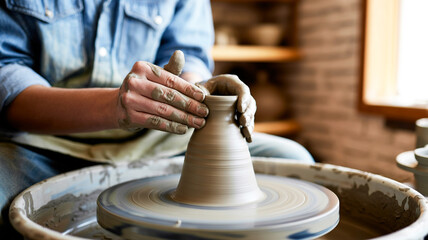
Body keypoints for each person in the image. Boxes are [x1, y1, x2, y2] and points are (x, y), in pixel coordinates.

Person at [0, 0, 314, 237]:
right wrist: (113, 107)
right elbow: (6, 76)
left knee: (294, 162)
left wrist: (194, 93)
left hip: (156, 135)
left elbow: (189, 55)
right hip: (43, 141)